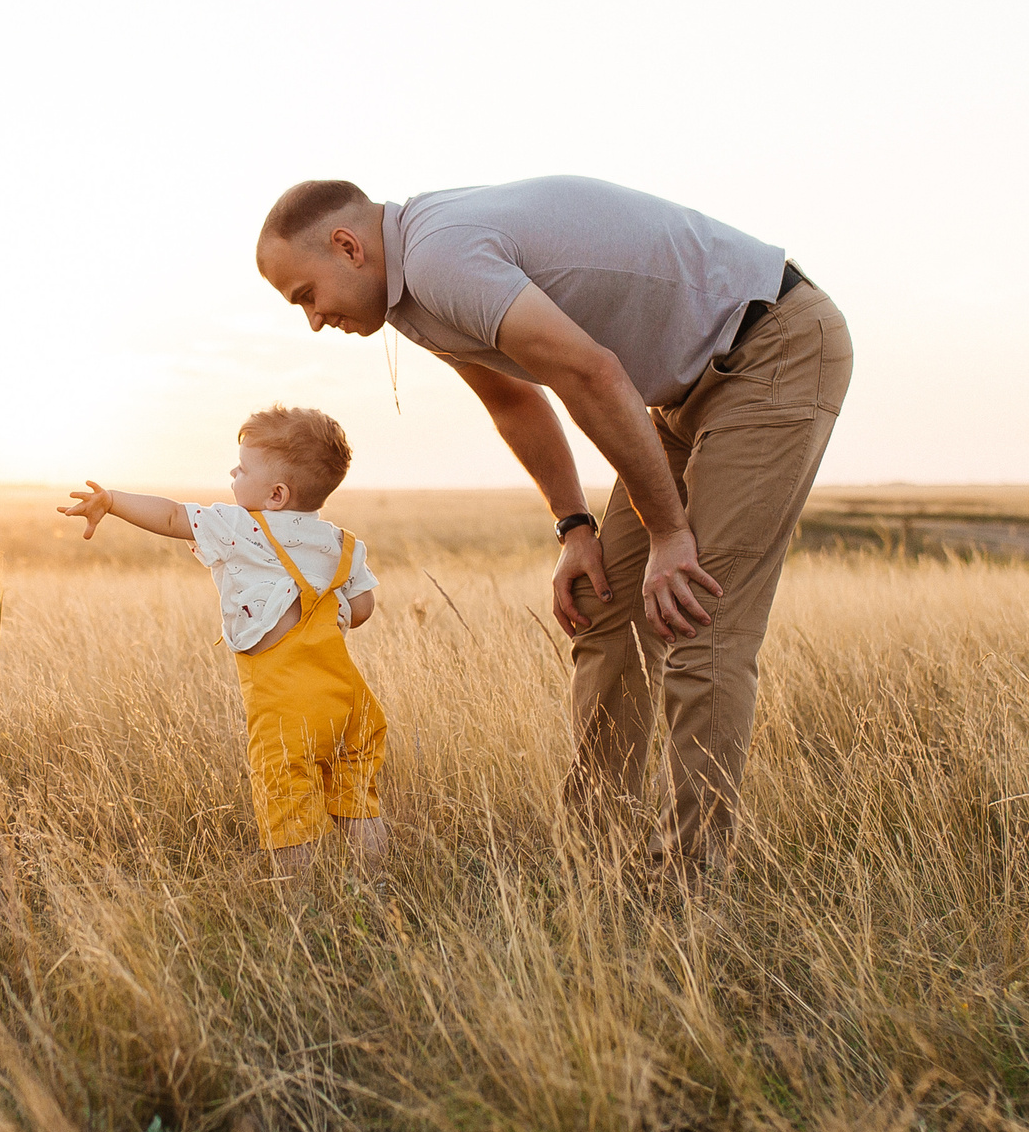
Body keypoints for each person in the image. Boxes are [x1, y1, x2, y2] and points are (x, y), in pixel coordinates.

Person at [255, 177, 852, 874]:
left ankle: (693, 885)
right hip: (676, 396)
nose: (314, 320)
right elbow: (514, 398)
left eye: (305, 295)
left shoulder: (438, 256)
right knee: (610, 605)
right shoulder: (411, 294)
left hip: (768, 346)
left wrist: (668, 533)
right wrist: (575, 527)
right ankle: (595, 861)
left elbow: (591, 373)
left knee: (698, 613)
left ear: (347, 246)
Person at [58, 406, 386, 875]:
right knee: (356, 797)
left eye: (243, 467)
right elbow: (364, 608)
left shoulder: (241, 526)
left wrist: (112, 500)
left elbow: (172, 516)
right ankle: (374, 884)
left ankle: (302, 912)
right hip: (350, 701)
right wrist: (334, 615)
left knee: (286, 801)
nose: (233, 472)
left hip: (288, 706)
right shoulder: (341, 542)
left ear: (276, 494)